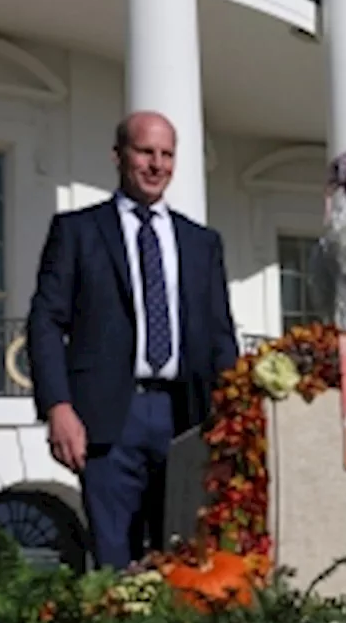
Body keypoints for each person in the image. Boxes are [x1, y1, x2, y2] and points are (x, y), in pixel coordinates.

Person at [26, 111, 238, 570]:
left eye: (166, 154)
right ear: (118, 155)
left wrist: (234, 417)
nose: (157, 165)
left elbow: (222, 338)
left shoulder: (202, 243)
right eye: (146, 152)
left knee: (186, 557)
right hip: (107, 420)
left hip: (186, 418)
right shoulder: (78, 232)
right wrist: (57, 407)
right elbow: (45, 321)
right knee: (116, 562)